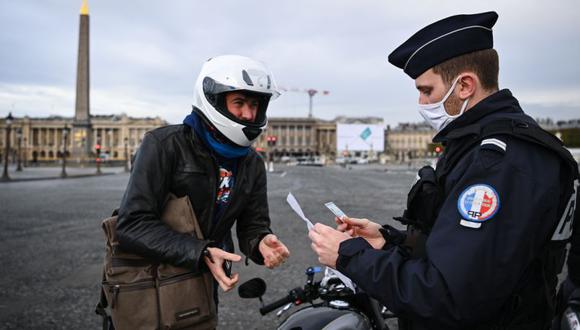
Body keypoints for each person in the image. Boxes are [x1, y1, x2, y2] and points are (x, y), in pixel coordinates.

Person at [309, 12, 579, 329]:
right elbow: (461, 252)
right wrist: (388, 241)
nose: (422, 102)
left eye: (427, 91)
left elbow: (446, 296)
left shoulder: (498, 163)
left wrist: (349, 256)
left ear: (465, 85)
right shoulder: (494, 146)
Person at [116, 55, 290, 297]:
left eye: (254, 105)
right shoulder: (164, 145)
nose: (249, 114)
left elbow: (253, 224)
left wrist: (261, 242)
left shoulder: (252, 163)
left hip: (203, 284)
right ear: (213, 100)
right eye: (239, 102)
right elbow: (131, 224)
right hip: (146, 283)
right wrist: (202, 251)